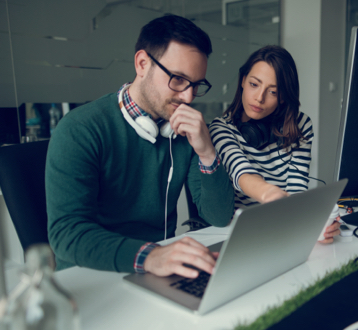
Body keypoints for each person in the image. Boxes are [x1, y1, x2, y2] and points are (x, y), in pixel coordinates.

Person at [45, 15, 234, 279]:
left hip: (157, 271)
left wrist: (207, 152)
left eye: (196, 84)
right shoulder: (79, 129)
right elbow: (67, 234)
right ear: (142, 63)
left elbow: (220, 216)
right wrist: (151, 256)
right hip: (90, 278)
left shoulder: (182, 130)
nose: (188, 97)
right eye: (178, 79)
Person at [209, 45, 340, 243]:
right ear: (243, 81)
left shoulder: (300, 125)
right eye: (254, 84)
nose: (259, 98)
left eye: (272, 92)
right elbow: (241, 173)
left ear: (283, 98)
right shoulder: (221, 128)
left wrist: (315, 223)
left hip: (284, 224)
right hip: (242, 232)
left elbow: (296, 189)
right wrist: (270, 193)